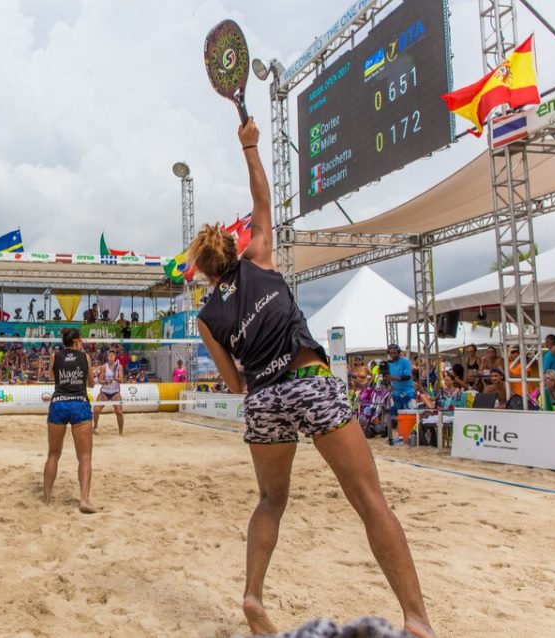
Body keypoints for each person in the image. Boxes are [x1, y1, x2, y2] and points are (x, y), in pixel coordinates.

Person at [190, 117, 433, 637]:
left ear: (207, 271)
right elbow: (262, 202)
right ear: (233, 251)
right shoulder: (259, 256)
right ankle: (416, 619)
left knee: (271, 500)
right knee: (369, 499)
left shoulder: (207, 316)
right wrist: (250, 147)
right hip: (308, 380)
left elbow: (234, 385)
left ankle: (253, 595)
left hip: (263, 400)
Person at [43, 327, 96, 514]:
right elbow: (91, 384)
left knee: (53, 454)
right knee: (85, 456)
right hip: (79, 404)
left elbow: (51, 377)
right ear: (75, 342)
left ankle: (47, 499)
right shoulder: (85, 358)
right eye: (80, 340)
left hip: (58, 404)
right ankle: (84, 500)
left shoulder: (55, 356)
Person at [93, 349, 125, 435]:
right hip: (105, 391)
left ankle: (121, 432)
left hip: (115, 392)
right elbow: (100, 380)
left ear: (115, 357)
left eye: (113, 355)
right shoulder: (103, 367)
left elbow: (121, 380)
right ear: (107, 357)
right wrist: (106, 382)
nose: (111, 356)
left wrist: (115, 378)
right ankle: (95, 427)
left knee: (119, 412)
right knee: (96, 410)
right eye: (110, 354)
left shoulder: (119, 366)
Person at [385, 344, 414, 416]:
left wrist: (393, 378)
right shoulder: (388, 363)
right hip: (395, 393)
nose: (393, 355)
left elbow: (407, 377)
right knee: (396, 416)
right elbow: (387, 377)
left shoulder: (405, 361)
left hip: (407, 392)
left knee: (409, 414)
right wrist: (388, 384)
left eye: (395, 352)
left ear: (398, 352)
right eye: (391, 353)